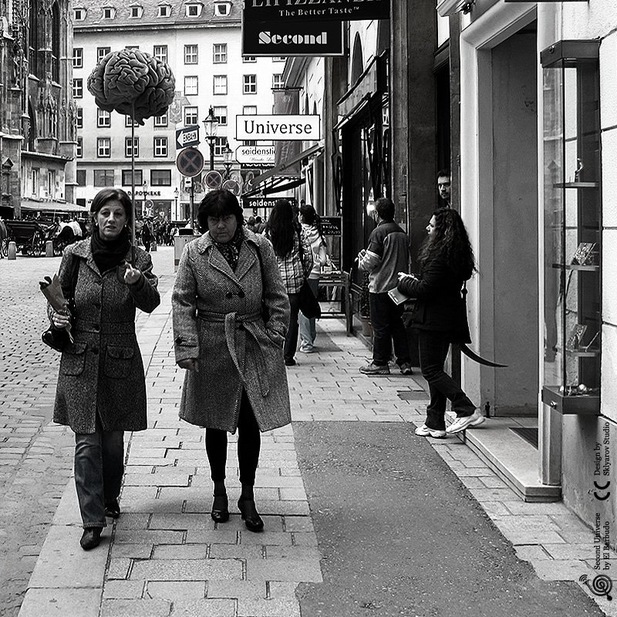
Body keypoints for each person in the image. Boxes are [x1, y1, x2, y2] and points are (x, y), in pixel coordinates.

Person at [172, 189, 291, 532]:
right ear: (205, 222)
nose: (220, 226)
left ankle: (248, 494)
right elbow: (182, 301)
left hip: (253, 342)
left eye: (226, 218)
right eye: (213, 219)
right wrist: (188, 347)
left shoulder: (260, 247)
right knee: (216, 422)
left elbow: (277, 294)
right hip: (213, 345)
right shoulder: (195, 252)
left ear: (237, 218)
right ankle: (219, 490)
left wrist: (275, 333)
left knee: (251, 422)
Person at [49, 188, 161, 550]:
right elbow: (60, 298)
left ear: (127, 220)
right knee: (86, 443)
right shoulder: (74, 254)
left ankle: (110, 496)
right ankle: (92, 520)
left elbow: (151, 303)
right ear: (94, 218)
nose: (111, 219)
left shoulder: (138, 258)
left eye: (118, 213)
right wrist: (58, 315)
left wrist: (137, 282)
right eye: (105, 213)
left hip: (119, 359)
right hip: (80, 358)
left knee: (112, 445)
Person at [397, 208, 485, 438]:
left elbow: (425, 289)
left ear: (443, 230)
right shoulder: (454, 255)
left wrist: (405, 282)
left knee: (431, 369)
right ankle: (435, 421)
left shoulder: (440, 257)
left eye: (432, 225)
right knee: (435, 369)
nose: (428, 229)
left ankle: (466, 408)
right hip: (445, 318)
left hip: (433, 320)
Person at [357, 197, 413, 376]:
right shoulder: (401, 232)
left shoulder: (379, 232)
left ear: (377, 214)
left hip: (380, 286)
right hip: (398, 288)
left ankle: (380, 362)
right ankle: (404, 362)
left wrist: (361, 261)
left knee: (380, 326)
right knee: (397, 324)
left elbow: (371, 261)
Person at [264, 199, 313, 366]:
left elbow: (262, 255)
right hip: (294, 283)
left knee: (272, 316)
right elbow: (308, 256)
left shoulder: (268, 232)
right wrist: (303, 274)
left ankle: (273, 352)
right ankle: (288, 356)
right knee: (292, 319)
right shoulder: (297, 230)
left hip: (274, 282)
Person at [298, 204, 328, 353]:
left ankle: (306, 342)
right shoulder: (319, 234)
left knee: (302, 309)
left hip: (302, 274)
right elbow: (323, 260)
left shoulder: (299, 232)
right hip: (315, 274)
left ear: (302, 216)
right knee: (311, 305)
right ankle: (311, 336)